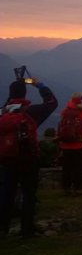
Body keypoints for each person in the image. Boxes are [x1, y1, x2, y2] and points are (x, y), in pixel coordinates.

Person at [1, 77, 58, 238]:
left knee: (6, 192)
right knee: (28, 193)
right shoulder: (31, 112)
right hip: (28, 158)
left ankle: (3, 226)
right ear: (25, 94)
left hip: (6, 159)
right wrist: (40, 85)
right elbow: (52, 102)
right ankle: (27, 228)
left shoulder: (2, 112)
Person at [58, 92, 82, 196]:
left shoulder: (64, 111)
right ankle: (78, 188)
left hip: (65, 144)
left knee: (66, 167)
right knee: (78, 167)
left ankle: (66, 188)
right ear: (81, 100)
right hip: (79, 144)